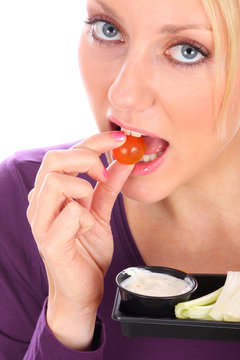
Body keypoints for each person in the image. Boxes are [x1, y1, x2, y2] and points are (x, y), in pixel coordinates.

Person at [1, 0, 240, 358]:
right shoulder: (28, 199)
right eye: (107, 29)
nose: (121, 94)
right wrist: (69, 316)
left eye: (188, 51)